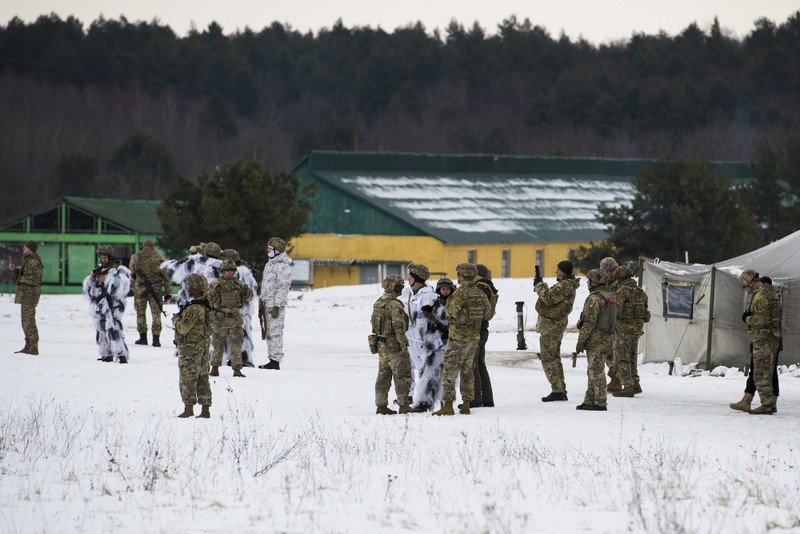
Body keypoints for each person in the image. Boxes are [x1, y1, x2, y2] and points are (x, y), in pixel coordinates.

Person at [433, 263, 492, 416]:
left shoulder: (459, 294)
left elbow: (449, 312)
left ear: (461, 275)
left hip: (458, 338)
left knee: (449, 371)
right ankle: (466, 404)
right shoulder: (480, 293)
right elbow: (488, 314)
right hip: (473, 338)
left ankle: (447, 406)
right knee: (468, 372)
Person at [730, 270, 782, 415]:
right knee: (765, 372)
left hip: (763, 339)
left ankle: (766, 404)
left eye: (745, 286)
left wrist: (747, 318)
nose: (746, 289)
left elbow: (761, 320)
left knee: (761, 373)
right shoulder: (771, 292)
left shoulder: (760, 297)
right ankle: (766, 403)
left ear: (750, 282)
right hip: (772, 337)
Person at [534, 259, 580, 402]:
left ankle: (557, 390)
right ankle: (559, 389)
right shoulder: (565, 285)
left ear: (564, 272)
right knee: (553, 357)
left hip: (552, 326)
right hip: (553, 325)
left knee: (549, 358)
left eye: (559, 270)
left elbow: (548, 298)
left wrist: (539, 286)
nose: (556, 272)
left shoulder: (565, 285)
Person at [370, 274, 413, 415]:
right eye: (399, 287)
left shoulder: (379, 302)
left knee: (383, 375)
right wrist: (403, 344)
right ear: (393, 287)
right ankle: (404, 405)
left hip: (381, 343)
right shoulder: (394, 304)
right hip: (394, 344)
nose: (401, 289)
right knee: (402, 375)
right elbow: (399, 326)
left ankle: (381, 405)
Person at [574, 268, 616, 411]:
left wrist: (580, 341)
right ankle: (589, 400)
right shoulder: (609, 295)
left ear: (594, 282)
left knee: (596, 371)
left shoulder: (594, 298)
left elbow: (589, 323)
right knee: (593, 370)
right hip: (608, 338)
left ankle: (600, 402)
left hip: (597, 340)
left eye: (589, 280)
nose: (587, 283)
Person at [83, 244, 131, 363]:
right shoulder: (99, 268)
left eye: (105, 257)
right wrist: (92, 281)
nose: (103, 260)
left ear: (110, 257)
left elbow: (122, 286)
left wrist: (107, 280)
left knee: (113, 328)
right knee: (101, 329)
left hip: (114, 304)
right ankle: (106, 353)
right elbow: (89, 289)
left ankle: (121, 354)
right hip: (100, 304)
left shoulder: (119, 270)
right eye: (102, 257)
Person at [174, 274, 213, 418]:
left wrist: (176, 320)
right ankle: (205, 409)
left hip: (191, 348)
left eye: (190, 285)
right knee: (203, 377)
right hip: (203, 346)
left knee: (188, 377)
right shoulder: (206, 305)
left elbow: (183, 328)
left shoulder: (193, 308)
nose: (188, 288)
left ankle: (188, 408)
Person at [412, 277, 453, 412]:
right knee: (429, 375)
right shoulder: (433, 304)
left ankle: (446, 403)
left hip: (451, 346)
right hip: (434, 347)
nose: (445, 291)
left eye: (448, 288)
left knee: (448, 377)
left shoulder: (455, 303)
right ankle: (424, 402)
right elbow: (423, 324)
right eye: (443, 288)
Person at [207, 259, 253, 377]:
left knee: (236, 345)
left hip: (234, 319)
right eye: (227, 270)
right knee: (218, 345)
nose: (230, 272)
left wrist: (246, 291)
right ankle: (215, 368)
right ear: (222, 271)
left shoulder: (239, 285)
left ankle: (237, 369)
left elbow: (250, 297)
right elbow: (208, 299)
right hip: (220, 319)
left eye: (232, 270)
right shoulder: (215, 284)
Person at [400, 263, 438, 405]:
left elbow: (430, 314)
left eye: (410, 277)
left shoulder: (429, 294)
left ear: (417, 279)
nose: (408, 279)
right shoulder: (407, 293)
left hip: (423, 340)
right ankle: (408, 396)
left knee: (425, 370)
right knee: (407, 368)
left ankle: (425, 400)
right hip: (409, 337)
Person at [610, 265, 650, 397]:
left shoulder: (622, 291)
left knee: (622, 357)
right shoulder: (640, 292)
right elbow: (646, 314)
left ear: (620, 278)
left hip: (624, 329)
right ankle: (635, 383)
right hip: (637, 330)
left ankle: (627, 386)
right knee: (632, 357)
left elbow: (617, 311)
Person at [129, 240, 171, 347]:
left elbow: (131, 273)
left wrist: (136, 285)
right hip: (156, 291)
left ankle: (143, 338)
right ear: (153, 247)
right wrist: (167, 292)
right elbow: (166, 277)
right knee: (156, 314)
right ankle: (156, 339)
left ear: (143, 246)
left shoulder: (135, 257)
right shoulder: (160, 258)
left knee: (140, 313)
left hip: (140, 291)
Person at [259, 237, 293, 370]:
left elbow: (283, 287)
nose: (267, 251)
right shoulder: (270, 264)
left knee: (275, 332)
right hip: (266, 304)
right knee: (268, 333)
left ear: (277, 251)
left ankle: (275, 360)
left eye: (270, 249)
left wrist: (277, 305)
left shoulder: (283, 267)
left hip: (274, 306)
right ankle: (271, 358)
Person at [221, 249, 258, 368]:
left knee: (235, 335)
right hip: (244, 310)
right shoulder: (246, 272)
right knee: (244, 334)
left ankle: (238, 358)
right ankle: (243, 357)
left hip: (238, 310)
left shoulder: (239, 273)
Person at [8, 240, 44, 355]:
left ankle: (33, 347)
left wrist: (19, 279)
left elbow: (34, 280)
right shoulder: (29, 261)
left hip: (30, 295)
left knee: (29, 322)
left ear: (30, 248)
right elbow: (26, 275)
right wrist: (15, 271)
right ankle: (28, 345)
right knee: (25, 321)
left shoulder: (34, 262)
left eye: (26, 247)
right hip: (26, 295)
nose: (24, 248)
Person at [472, 264, 498, 408]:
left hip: (477, 328)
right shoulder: (489, 287)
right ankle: (487, 398)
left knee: (473, 363)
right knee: (480, 364)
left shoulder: (480, 288)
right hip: (483, 328)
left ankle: (476, 398)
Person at [599, 256, 621, 392]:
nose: (610, 273)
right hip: (606, 321)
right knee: (608, 353)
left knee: (615, 353)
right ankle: (616, 378)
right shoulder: (603, 284)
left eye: (613, 270)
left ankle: (616, 380)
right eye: (608, 271)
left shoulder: (620, 284)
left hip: (617, 323)